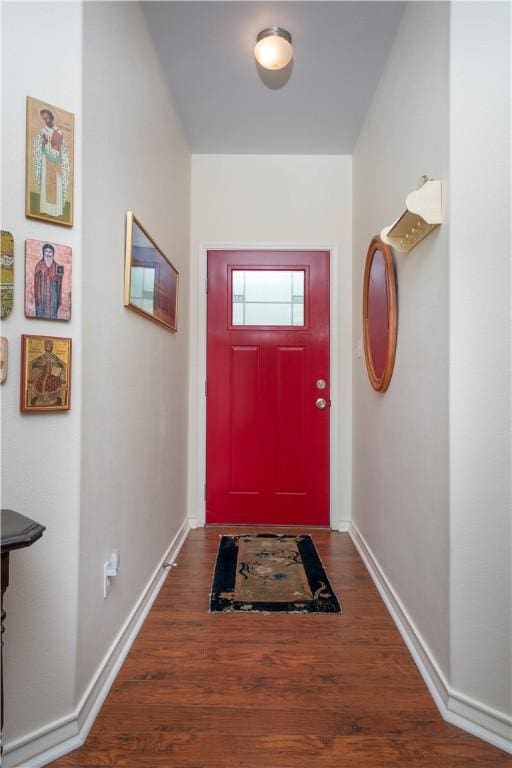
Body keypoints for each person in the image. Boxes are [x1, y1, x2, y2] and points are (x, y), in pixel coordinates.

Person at [32, 108, 70, 218]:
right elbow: (40, 143)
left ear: (51, 117)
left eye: (47, 118)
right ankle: (45, 208)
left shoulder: (58, 131)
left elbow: (60, 146)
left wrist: (55, 144)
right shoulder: (43, 130)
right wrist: (43, 143)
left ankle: (56, 210)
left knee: (56, 184)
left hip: (56, 159)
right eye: (43, 119)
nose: (45, 120)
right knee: (46, 183)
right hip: (46, 158)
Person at [29, 339, 66, 406]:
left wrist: (54, 365)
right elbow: (36, 363)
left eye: (49, 346)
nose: (48, 347)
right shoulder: (42, 356)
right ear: (44, 347)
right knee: (39, 380)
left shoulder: (54, 356)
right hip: (43, 372)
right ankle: (42, 398)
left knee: (52, 381)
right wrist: (41, 364)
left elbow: (58, 365)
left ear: (52, 347)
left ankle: (51, 398)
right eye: (47, 345)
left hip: (52, 373)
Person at [34, 243, 63, 319]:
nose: (48, 254)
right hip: (42, 296)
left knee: (53, 316)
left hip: (53, 296)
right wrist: (38, 298)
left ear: (53, 253)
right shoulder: (39, 265)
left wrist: (59, 300)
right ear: (43, 252)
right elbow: (36, 283)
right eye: (46, 251)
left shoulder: (57, 266)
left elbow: (60, 285)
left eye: (50, 252)